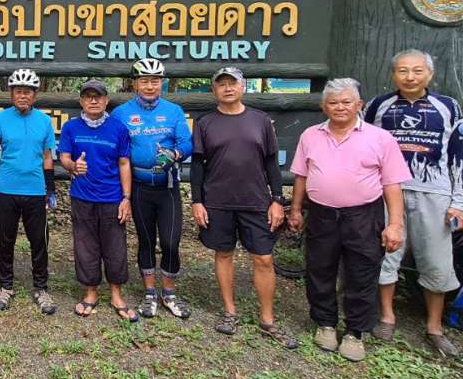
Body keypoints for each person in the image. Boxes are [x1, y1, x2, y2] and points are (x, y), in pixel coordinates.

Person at [287, 79, 409, 361]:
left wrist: (395, 224)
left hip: (363, 215)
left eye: (346, 102)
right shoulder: (310, 135)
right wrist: (295, 209)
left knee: (362, 272)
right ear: (323, 107)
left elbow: (392, 184)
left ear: (359, 105)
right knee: (319, 269)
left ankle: (356, 332)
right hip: (321, 214)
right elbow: (301, 175)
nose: (339, 107)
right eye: (333, 102)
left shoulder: (380, 139)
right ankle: (325, 324)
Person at [364, 49, 463, 356]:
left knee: (436, 260)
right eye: (402, 71)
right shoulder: (378, 106)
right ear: (393, 74)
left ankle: (434, 327)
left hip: (434, 192)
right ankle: (386, 316)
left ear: (429, 74)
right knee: (386, 254)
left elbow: (459, 156)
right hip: (386, 191)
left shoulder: (448, 107)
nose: (409, 77)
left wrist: (460, 202)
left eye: (417, 71)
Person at [191, 66, 298, 348]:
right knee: (224, 253)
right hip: (217, 201)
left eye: (233, 83)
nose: (227, 88)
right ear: (214, 90)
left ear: (243, 87)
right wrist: (197, 201)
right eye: (221, 84)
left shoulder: (260, 121)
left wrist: (277, 199)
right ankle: (229, 311)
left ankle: (268, 319)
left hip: (256, 201)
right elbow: (198, 165)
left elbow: (271, 162)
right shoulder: (205, 123)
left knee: (263, 258)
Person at [112, 57, 193, 319]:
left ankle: (169, 293)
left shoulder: (174, 111)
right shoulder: (121, 113)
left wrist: (175, 153)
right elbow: (114, 146)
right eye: (144, 81)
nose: (150, 86)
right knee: (145, 240)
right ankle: (149, 293)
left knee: (170, 241)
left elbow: (187, 142)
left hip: (167, 186)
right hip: (139, 186)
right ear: (135, 83)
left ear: (161, 83)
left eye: (155, 81)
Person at [59, 80, 135, 321]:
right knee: (85, 246)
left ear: (106, 100)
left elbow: (124, 163)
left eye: (98, 96)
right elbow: (64, 157)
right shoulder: (71, 127)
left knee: (115, 246)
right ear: (81, 101)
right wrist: (73, 166)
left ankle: (116, 294)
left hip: (112, 197)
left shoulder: (118, 128)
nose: (93, 101)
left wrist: (127, 198)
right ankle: (90, 292)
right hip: (82, 196)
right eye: (88, 96)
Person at [0, 67, 58, 315]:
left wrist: (51, 189)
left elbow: (48, 157)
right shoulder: (0, 118)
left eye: (27, 92)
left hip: (36, 190)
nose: (23, 96)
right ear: (11, 94)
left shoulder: (44, 121)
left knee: (39, 241)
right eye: (18, 91)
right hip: (7, 189)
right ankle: (5, 287)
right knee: (5, 241)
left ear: (35, 95)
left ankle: (41, 288)